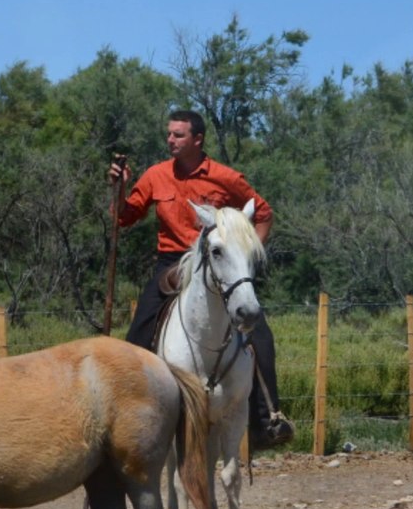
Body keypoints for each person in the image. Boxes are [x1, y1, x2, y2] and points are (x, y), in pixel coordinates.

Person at [108, 109, 294, 449]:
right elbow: (125, 217)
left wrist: (245, 257)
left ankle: (269, 420)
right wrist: (119, 189)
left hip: (218, 263)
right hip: (172, 264)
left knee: (259, 333)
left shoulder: (226, 178)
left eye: (178, 135)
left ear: (197, 139)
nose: (170, 140)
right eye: (169, 134)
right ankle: (130, 421)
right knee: (138, 334)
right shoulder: (155, 175)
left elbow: (263, 213)